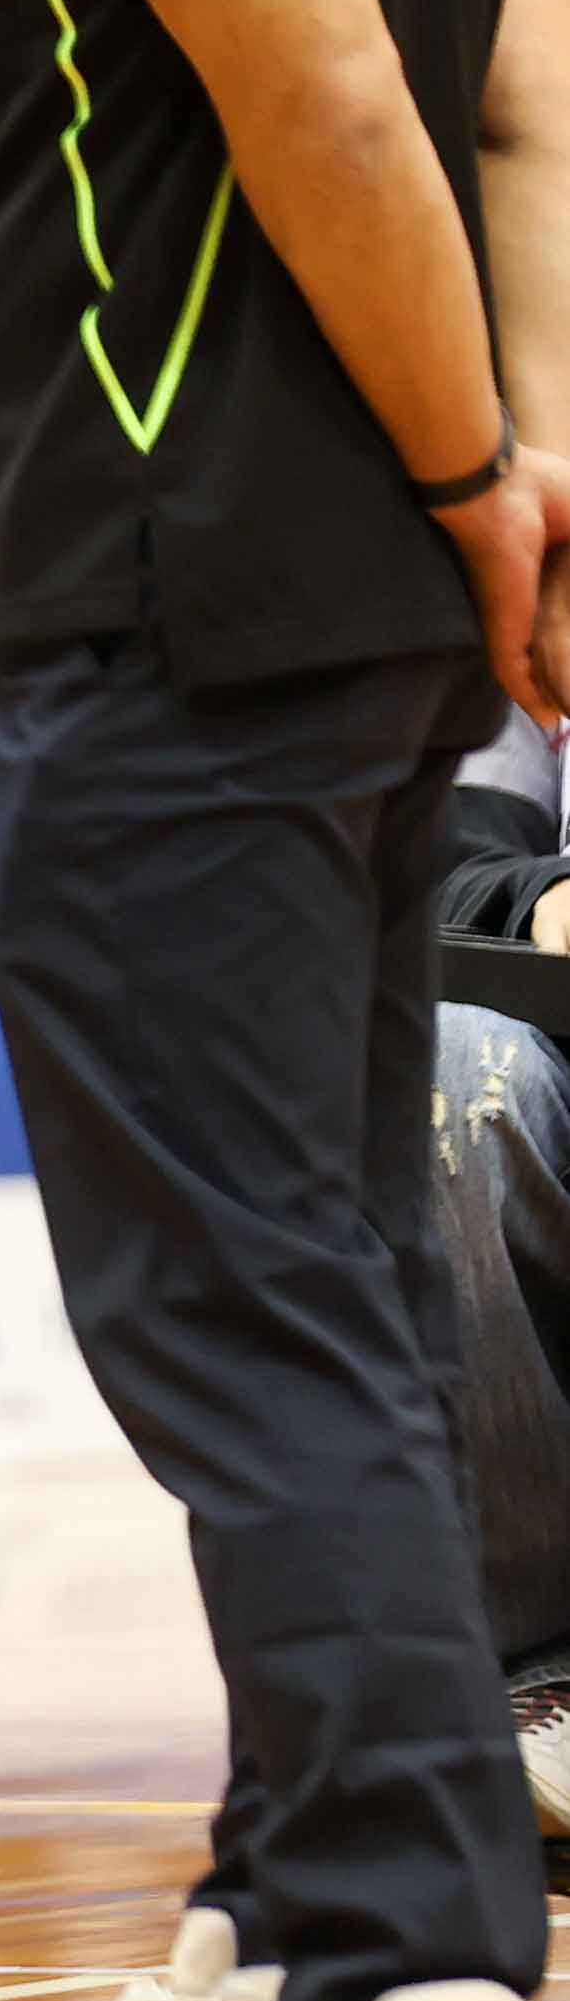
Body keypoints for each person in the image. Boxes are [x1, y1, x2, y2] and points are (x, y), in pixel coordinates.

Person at [0, 0, 570, 2001]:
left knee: (243, 1308)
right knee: (339, 1290)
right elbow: (522, 84)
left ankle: (423, 1992)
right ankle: (294, 1944)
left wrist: (485, 469)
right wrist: (527, 468)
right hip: (354, 593)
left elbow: (338, 92)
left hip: (183, 579)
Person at [431, 716, 570, 1772]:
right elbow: (419, 867)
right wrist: (540, 896)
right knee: (453, 1063)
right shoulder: (533, 591)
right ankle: (543, 1669)